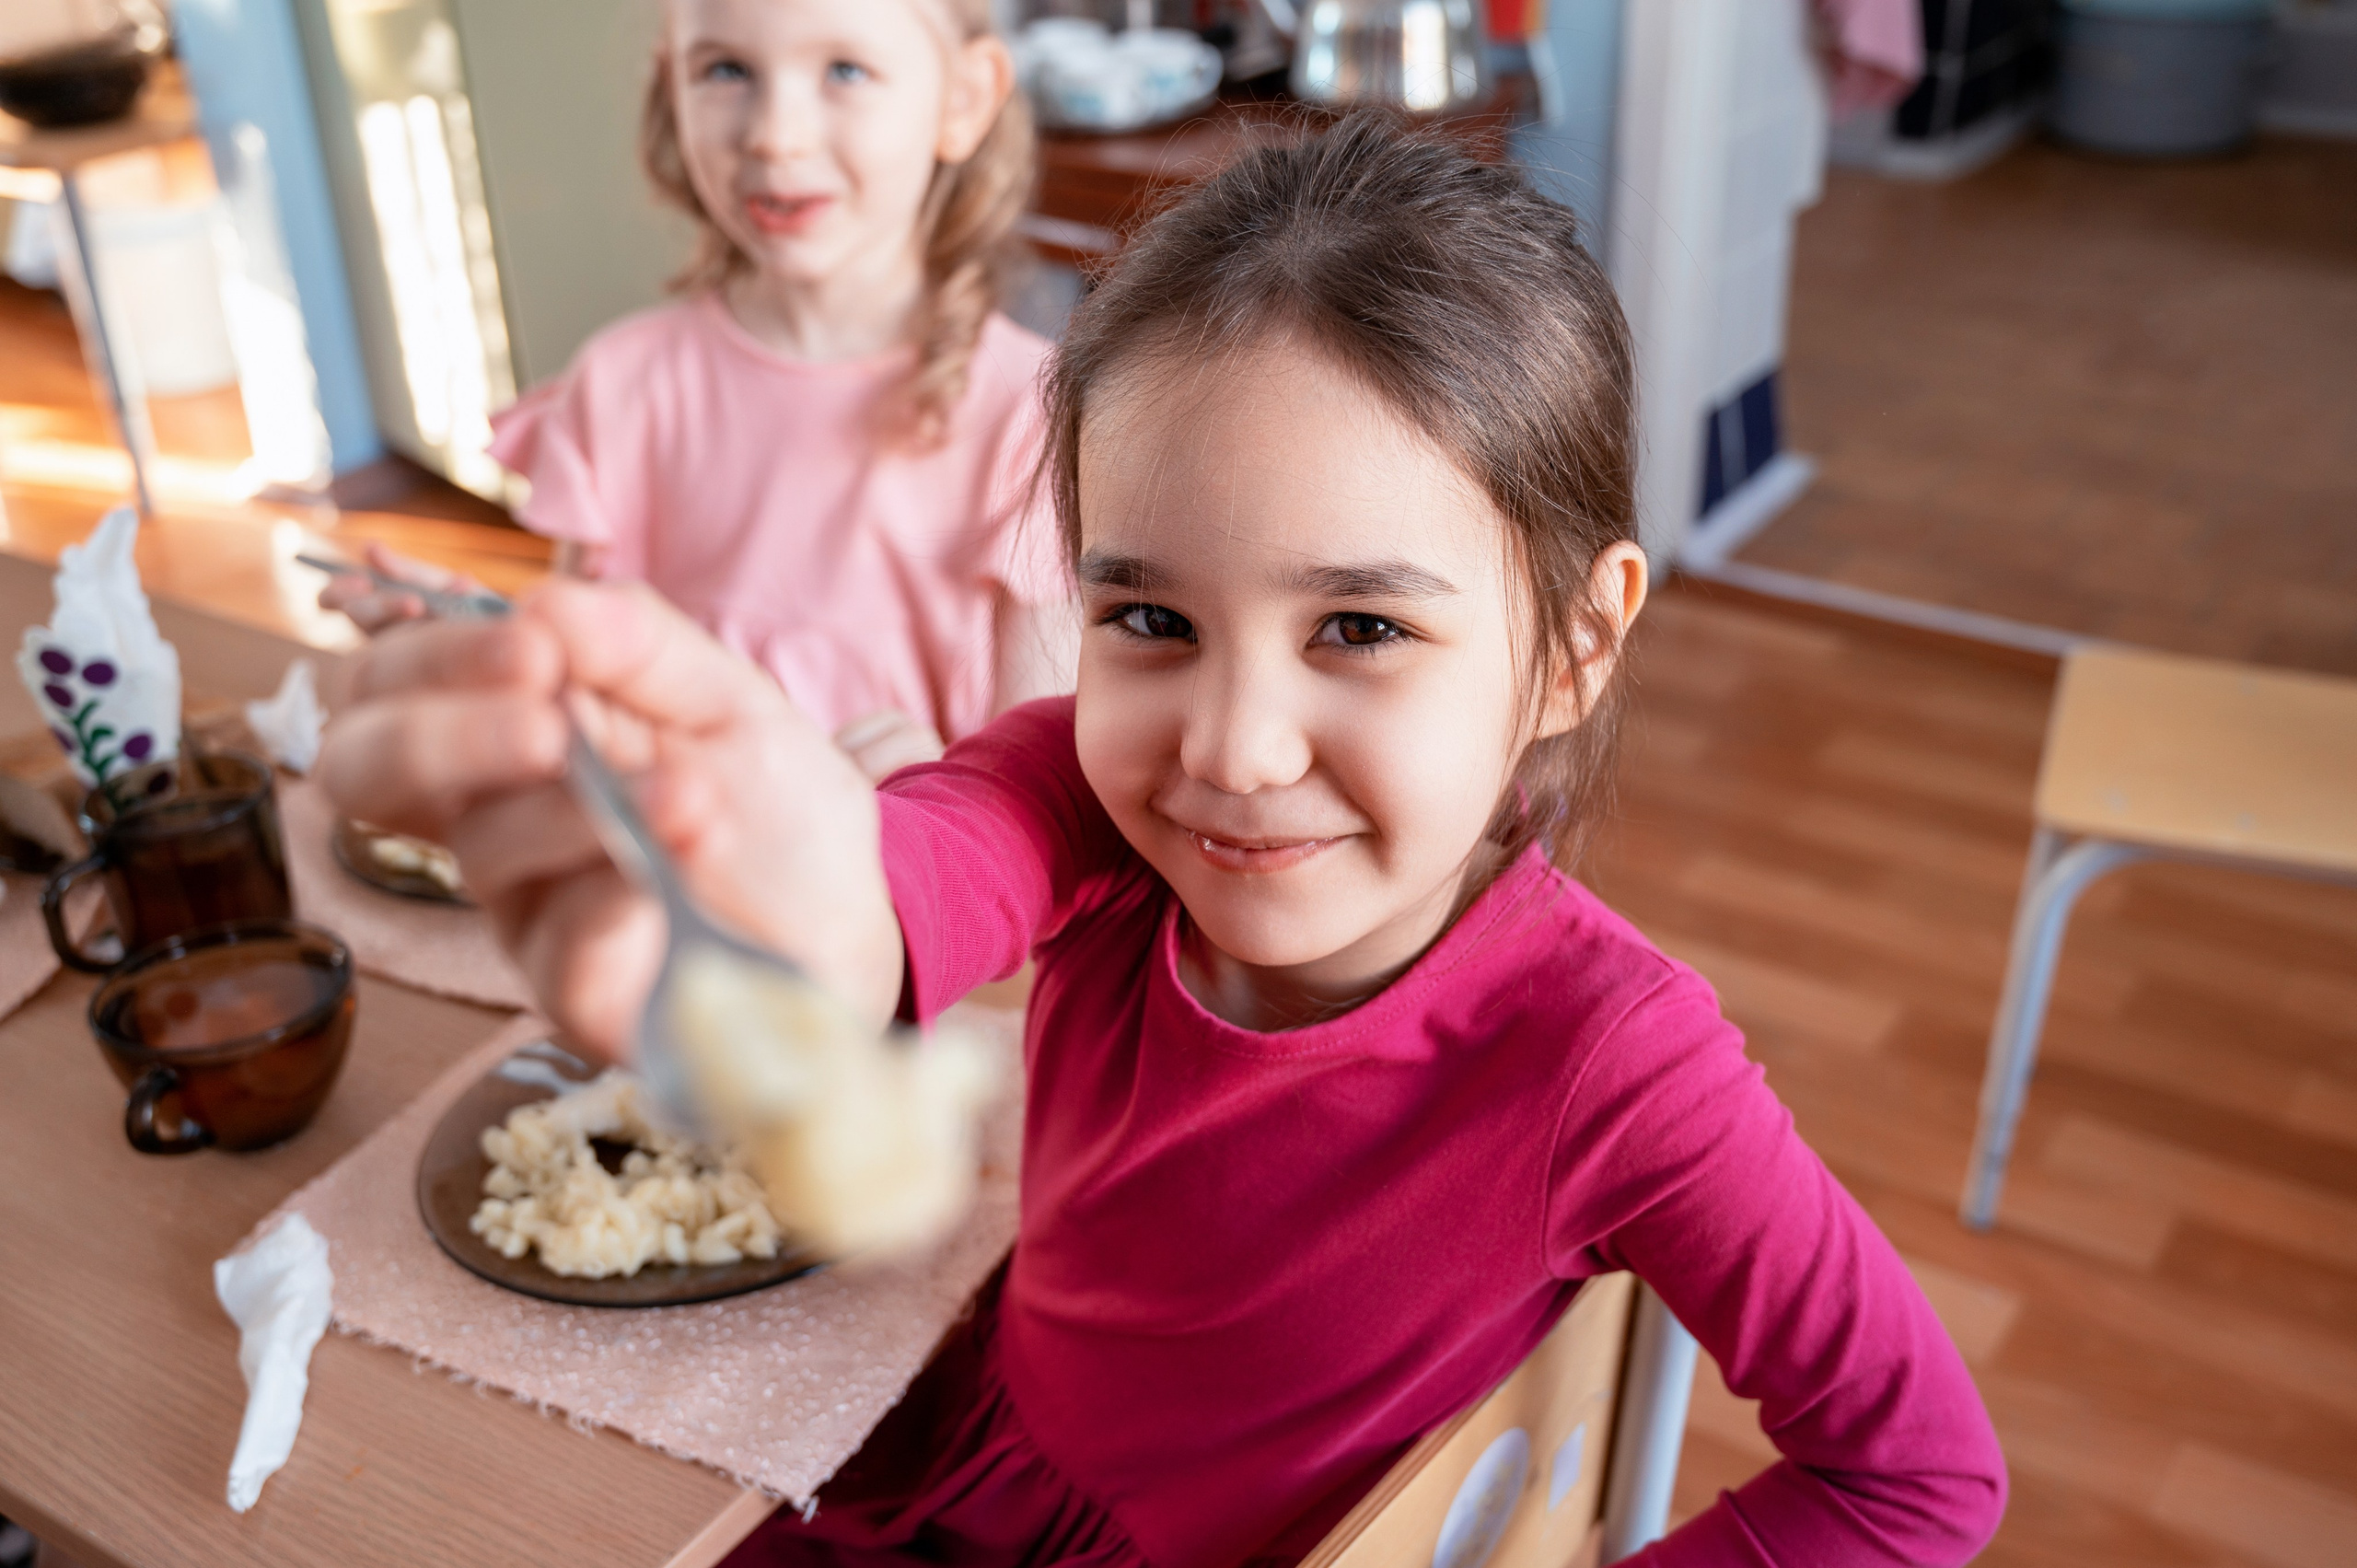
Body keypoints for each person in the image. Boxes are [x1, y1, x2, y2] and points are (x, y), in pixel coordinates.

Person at [319, 117, 2007, 1566]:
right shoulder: (1089, 795)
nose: (1229, 747)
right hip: (964, 1470)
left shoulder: (1615, 1064)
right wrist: (807, 906)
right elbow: (915, 873)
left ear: (1572, 644)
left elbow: (1917, 1468)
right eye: (1148, 613)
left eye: (1355, 625)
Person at [327, 0, 1074, 782]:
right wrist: (481, 645)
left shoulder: (1029, 417)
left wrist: (933, 814)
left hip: (905, 898)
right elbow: (591, 702)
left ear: (962, 98)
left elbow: (1041, 816)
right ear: (670, 87)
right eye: (726, 70)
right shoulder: (622, 385)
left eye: (845, 70)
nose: (774, 135)